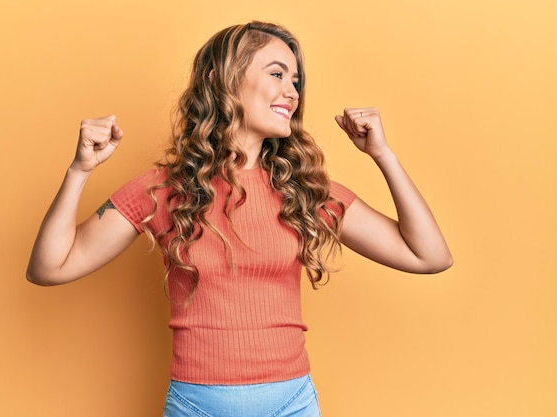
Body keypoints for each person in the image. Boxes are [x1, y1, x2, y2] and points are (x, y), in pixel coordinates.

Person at [27, 21, 452, 417]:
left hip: (293, 403)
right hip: (198, 406)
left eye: (296, 80)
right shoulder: (161, 190)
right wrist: (79, 171)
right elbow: (50, 266)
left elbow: (429, 256)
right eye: (277, 74)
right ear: (223, 79)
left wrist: (384, 156)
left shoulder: (303, 189)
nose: (292, 91)